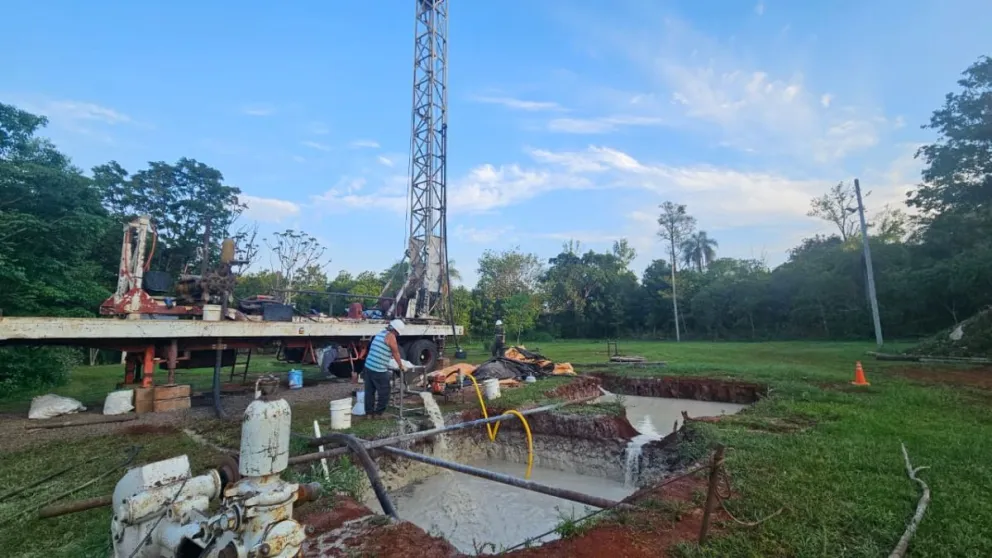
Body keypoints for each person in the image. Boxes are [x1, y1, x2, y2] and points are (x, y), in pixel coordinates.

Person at [363, 319, 406, 417]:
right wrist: (401, 365)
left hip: (368, 366)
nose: (397, 335)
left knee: (370, 392)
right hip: (378, 369)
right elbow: (396, 353)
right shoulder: (391, 336)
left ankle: (369, 414)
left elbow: (382, 349)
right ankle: (378, 413)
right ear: (395, 330)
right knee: (385, 391)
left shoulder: (381, 333)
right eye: (397, 333)